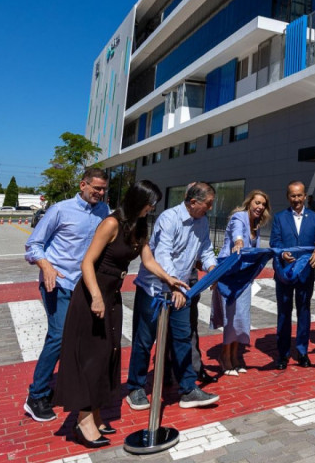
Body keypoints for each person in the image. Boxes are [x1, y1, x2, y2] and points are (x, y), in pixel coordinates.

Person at [53, 181, 188, 448]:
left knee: (107, 356)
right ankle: (82, 419)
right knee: (91, 357)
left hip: (112, 296)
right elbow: (87, 262)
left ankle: (96, 413)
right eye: (151, 202)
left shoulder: (139, 226)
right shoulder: (111, 223)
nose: (153, 208)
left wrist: (169, 279)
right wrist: (95, 297)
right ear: (138, 199)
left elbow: (148, 261)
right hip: (93, 295)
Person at [22, 168, 110, 423]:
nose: (100, 193)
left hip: (84, 286)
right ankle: (36, 395)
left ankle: (71, 388)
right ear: (83, 184)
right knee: (59, 336)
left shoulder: (104, 212)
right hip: (58, 283)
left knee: (81, 340)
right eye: (96, 188)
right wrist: (46, 266)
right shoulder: (60, 209)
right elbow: (33, 245)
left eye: (104, 189)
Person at [126, 182, 220, 410]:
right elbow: (163, 254)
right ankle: (135, 388)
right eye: (208, 204)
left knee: (182, 338)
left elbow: (206, 249)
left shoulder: (202, 221)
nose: (210, 208)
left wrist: (213, 269)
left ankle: (188, 389)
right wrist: (173, 286)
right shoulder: (169, 218)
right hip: (154, 289)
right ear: (194, 202)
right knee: (144, 340)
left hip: (182, 290)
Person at [211, 190, 271, 375]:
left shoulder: (257, 226)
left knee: (241, 317)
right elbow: (238, 234)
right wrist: (238, 243)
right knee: (230, 318)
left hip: (244, 278)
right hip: (229, 277)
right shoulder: (239, 217)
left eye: (263, 204)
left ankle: (236, 356)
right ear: (249, 203)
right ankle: (225, 355)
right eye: (257, 203)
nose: (259, 207)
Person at [270, 181, 315, 369]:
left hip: (305, 273)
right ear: (288, 197)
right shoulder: (280, 218)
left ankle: (302, 351)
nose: (296, 199)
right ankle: (283, 354)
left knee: (304, 312)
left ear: (305, 196)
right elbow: (275, 242)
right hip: (285, 274)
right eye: (293, 196)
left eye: (299, 195)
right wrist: (281, 253)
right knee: (284, 313)